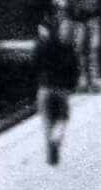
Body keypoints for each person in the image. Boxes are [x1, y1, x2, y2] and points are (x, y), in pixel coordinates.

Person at [34, 15, 81, 166]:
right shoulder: (66, 47)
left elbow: (33, 67)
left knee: (47, 122)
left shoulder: (39, 47)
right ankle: (56, 139)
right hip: (61, 90)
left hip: (44, 89)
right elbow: (74, 68)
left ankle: (51, 152)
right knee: (62, 118)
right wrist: (72, 86)